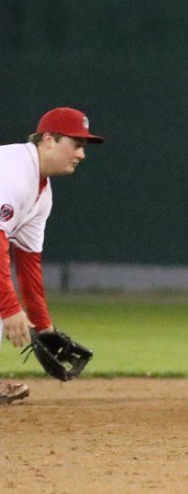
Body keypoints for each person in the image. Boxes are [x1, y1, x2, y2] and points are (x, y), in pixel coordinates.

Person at [0, 107, 104, 404]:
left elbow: (28, 263)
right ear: (48, 140)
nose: (81, 154)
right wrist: (10, 308)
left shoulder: (41, 193)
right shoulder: (12, 172)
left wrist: (43, 326)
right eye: (76, 144)